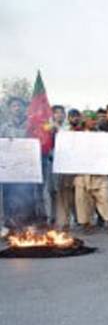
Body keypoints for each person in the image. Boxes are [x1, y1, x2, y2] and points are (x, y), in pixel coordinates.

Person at [0, 97, 44, 230]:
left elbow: (40, 142)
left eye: (19, 106)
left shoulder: (32, 126)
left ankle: (29, 225)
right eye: (14, 106)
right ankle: (9, 225)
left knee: (29, 196)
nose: (17, 108)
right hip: (9, 169)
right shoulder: (3, 127)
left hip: (27, 168)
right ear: (9, 109)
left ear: (24, 108)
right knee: (8, 196)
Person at [73, 111, 108, 234]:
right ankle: (86, 224)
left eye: (94, 119)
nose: (92, 122)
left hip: (99, 172)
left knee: (105, 197)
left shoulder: (102, 136)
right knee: (82, 199)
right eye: (89, 119)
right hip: (82, 172)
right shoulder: (75, 135)